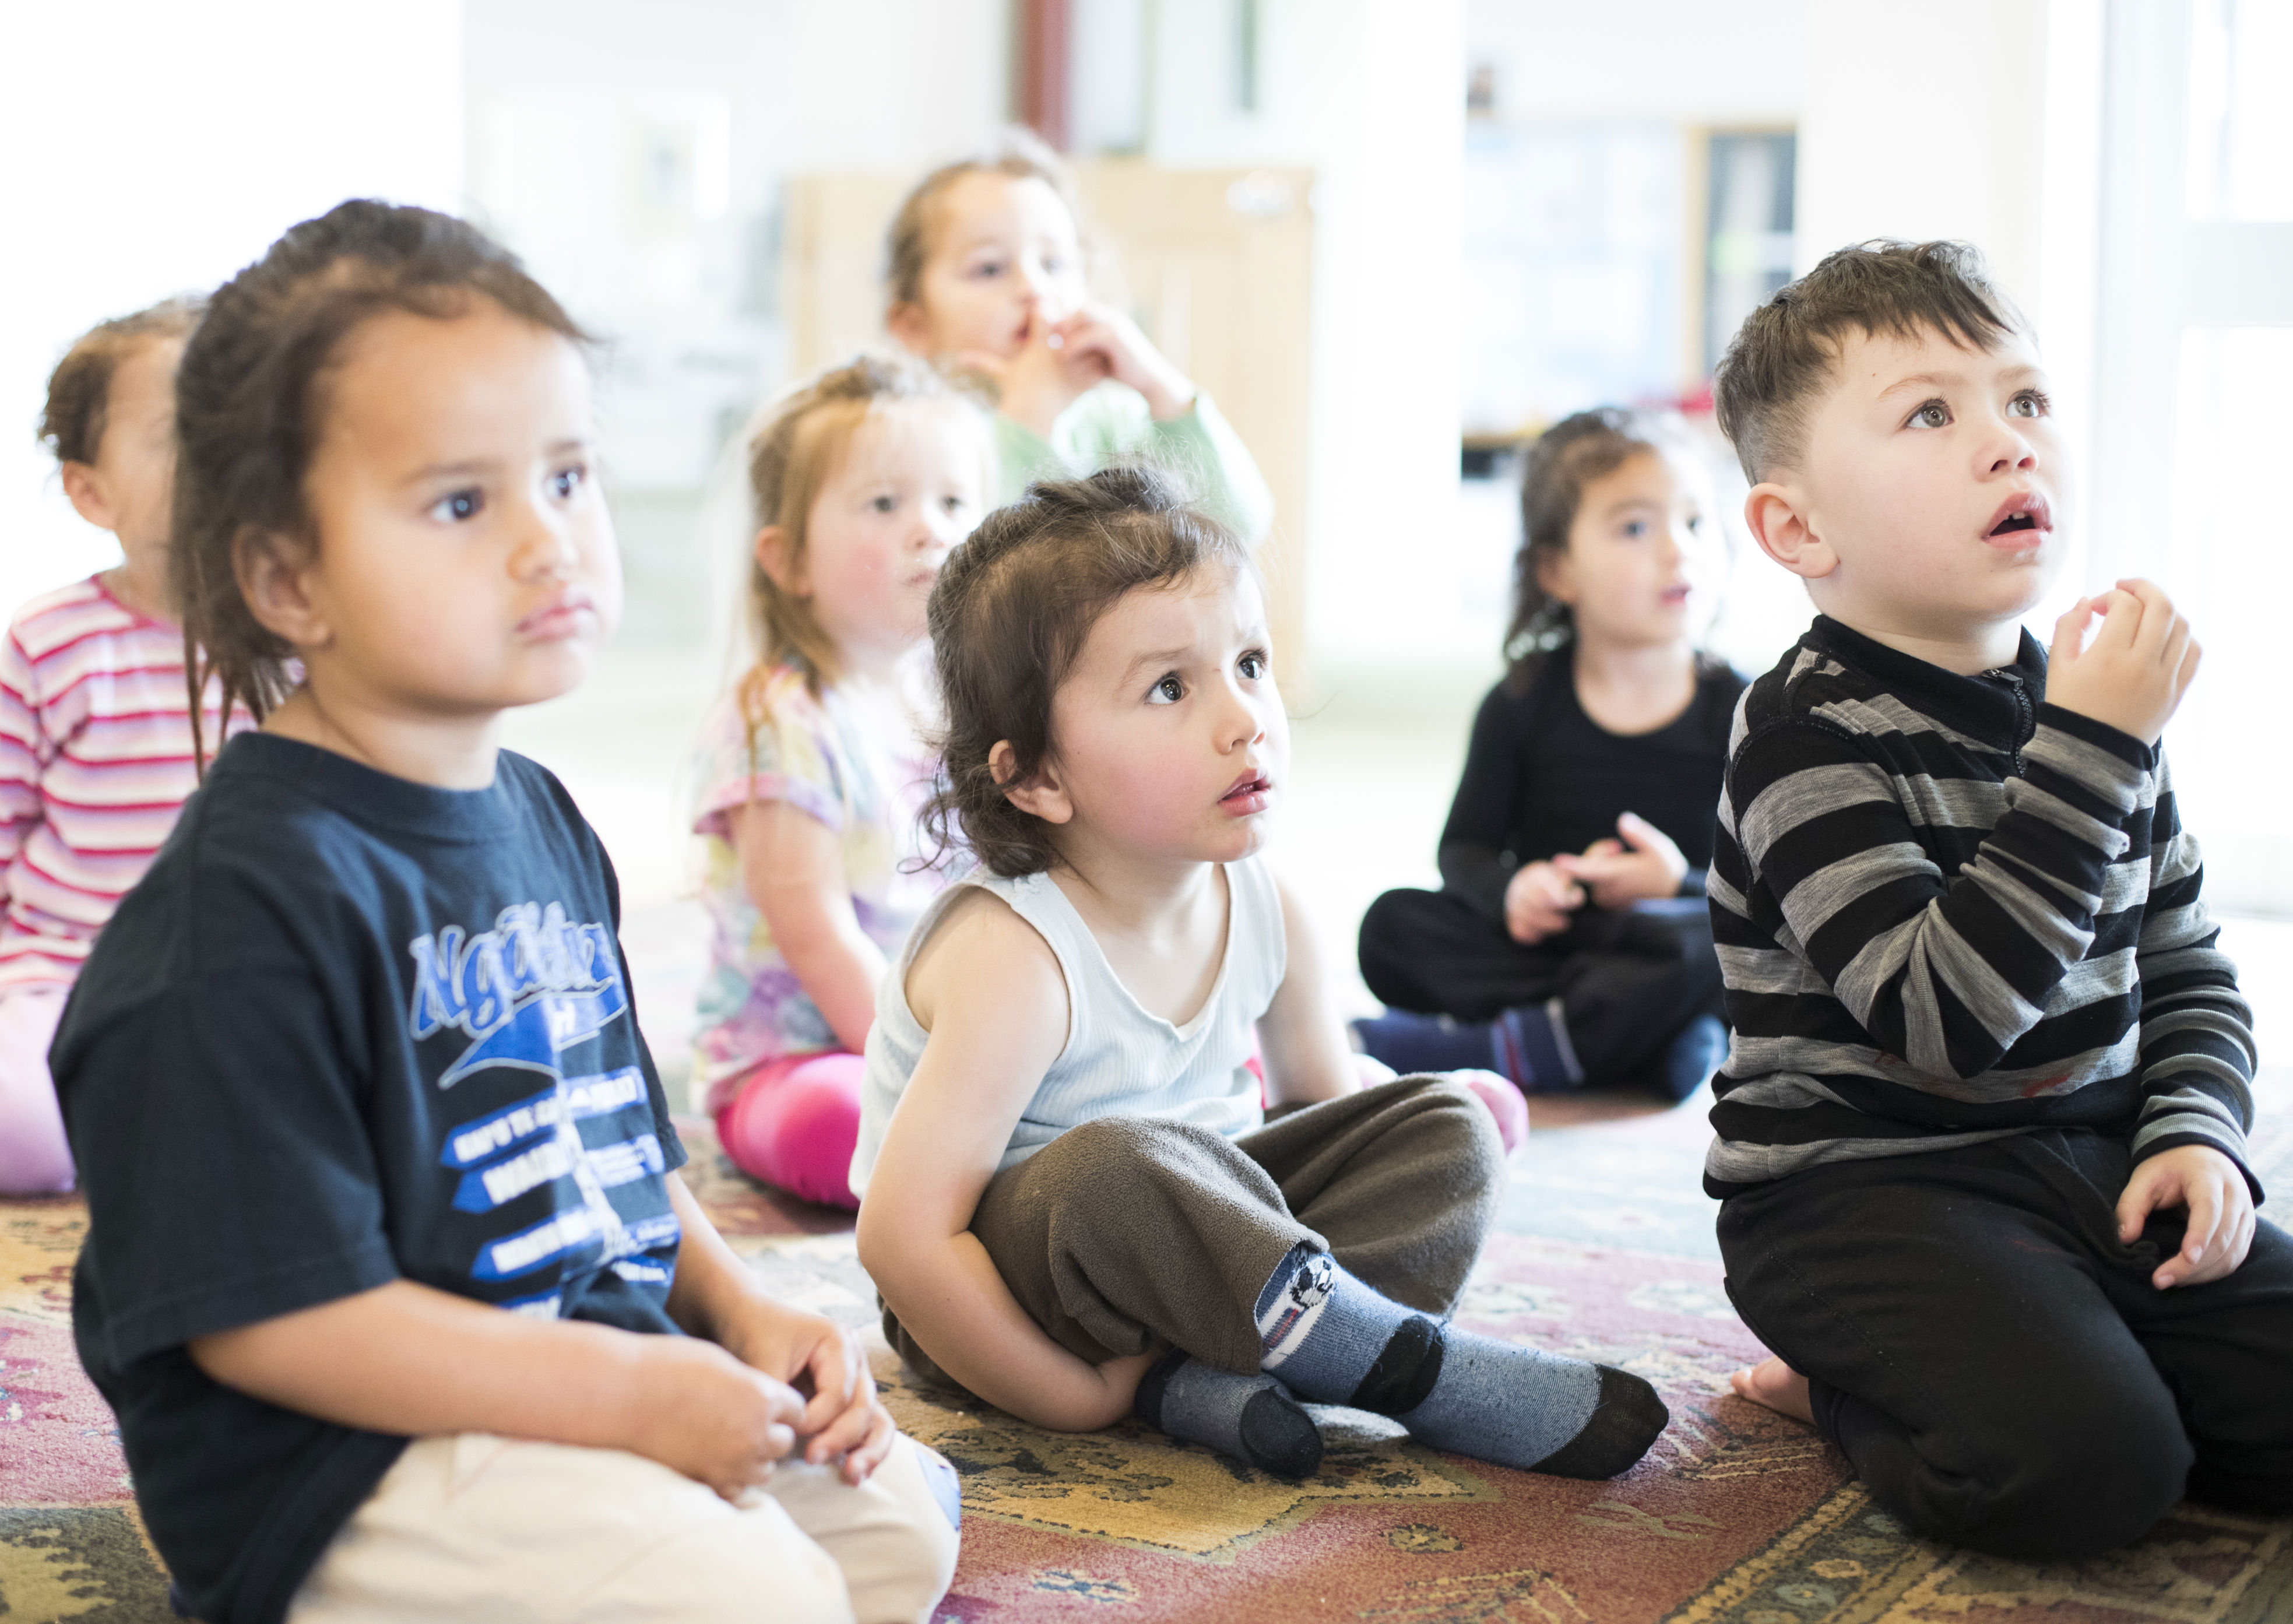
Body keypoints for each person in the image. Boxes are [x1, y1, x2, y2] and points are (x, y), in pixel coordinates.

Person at [49, 201, 959, 1624]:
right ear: (288, 578)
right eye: (463, 502)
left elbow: (620, 1159)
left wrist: (733, 1310)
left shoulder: (534, 812)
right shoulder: (237, 914)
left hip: (568, 1363)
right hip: (351, 1459)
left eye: (570, 474)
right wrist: (630, 1390)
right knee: (763, 1598)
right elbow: (270, 1319)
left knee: (894, 1533)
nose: (551, 543)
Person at [850, 466, 1665, 1485]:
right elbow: (905, 1238)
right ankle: (1406, 1369)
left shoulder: (1267, 901)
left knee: (1444, 1128)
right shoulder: (1016, 956)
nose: (1244, 718)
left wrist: (1434, 1137)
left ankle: (1221, 1376)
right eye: (1168, 687)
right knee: (1118, 1165)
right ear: (1037, 776)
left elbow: (1320, 1100)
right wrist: (1079, 1395)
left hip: (1218, 1263)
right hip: (1013, 1302)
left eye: (1248, 661)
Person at [1705, 239, 2286, 1558]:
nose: (2005, 443)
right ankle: (1850, 1389)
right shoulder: (1797, 734)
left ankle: (2057, 1344)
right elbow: (1941, 1017)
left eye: (2022, 400)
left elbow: (2185, 968)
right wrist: (2089, 748)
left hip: (2088, 1162)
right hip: (1859, 1197)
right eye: (1929, 411)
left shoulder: (2087, 704)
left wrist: (2195, 1133)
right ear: (1796, 528)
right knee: (2091, 1470)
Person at [0, 295, 251, 1196]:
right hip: (72, 967)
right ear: (90, 490)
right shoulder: (51, 640)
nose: (213, 448)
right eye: (175, 429)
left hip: (249, 966)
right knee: (12, 1143)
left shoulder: (294, 632)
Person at [1353, 409, 1742, 1101]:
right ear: (1557, 570)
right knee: (1393, 925)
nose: (1677, 550)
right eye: (1634, 527)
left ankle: (1502, 1043)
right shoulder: (1521, 703)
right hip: (1548, 950)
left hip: (1660, 937)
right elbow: (1465, 850)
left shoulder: (1741, 711)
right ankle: (1627, 1034)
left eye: (1694, 522)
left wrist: (1676, 883)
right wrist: (1513, 891)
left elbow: (1765, 887)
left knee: (1711, 945)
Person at [688, 354, 990, 1208]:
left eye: (953, 502)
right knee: (839, 1120)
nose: (929, 529)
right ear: (788, 561)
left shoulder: (954, 709)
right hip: (797, 1058)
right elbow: (816, 936)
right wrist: (946, 1080)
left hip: (947, 1037)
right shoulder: (778, 723)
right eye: (885, 504)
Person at [882, 132, 1274, 542]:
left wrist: (1162, 390)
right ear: (915, 327)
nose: (1033, 286)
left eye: (1053, 264)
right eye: (990, 269)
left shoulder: (1112, 416)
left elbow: (1237, 528)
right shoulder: (921, 435)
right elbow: (974, 574)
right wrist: (1031, 414)